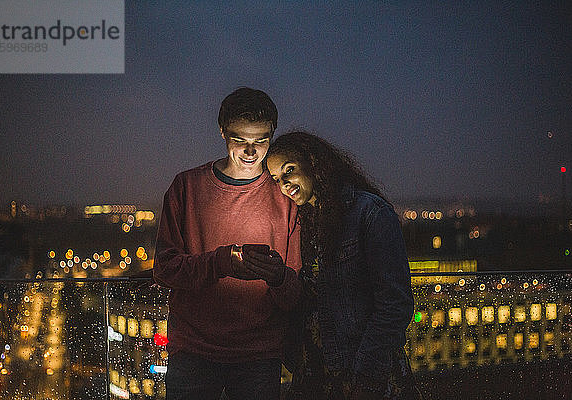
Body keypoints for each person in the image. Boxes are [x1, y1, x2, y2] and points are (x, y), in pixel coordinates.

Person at [153, 88, 302, 400]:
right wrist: (221, 263)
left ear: (273, 134)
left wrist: (276, 275)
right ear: (222, 131)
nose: (251, 150)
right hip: (193, 351)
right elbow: (165, 269)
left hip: (259, 356)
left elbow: (295, 290)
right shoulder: (186, 188)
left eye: (261, 140)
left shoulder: (286, 196)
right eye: (240, 139)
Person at [267, 132, 421, 400]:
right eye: (277, 179)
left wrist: (367, 376)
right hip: (314, 373)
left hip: (361, 374)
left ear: (313, 162)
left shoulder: (369, 213)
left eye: (289, 170)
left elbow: (395, 304)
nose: (284, 185)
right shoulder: (303, 223)